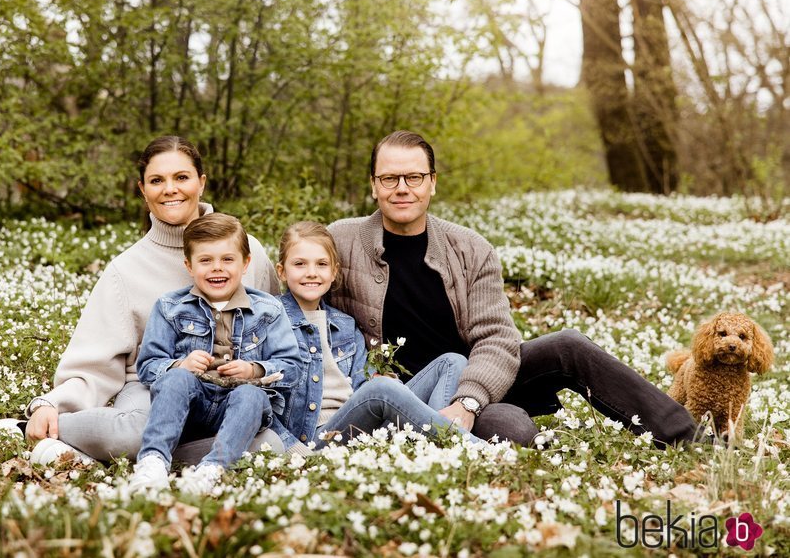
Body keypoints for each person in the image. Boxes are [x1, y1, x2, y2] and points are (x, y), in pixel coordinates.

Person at [327, 130, 699, 447]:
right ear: (374, 186)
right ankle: (458, 431)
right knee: (515, 430)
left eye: (414, 177)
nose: (402, 189)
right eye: (390, 179)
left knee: (568, 344)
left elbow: (496, 337)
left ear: (433, 182)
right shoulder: (339, 241)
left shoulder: (470, 248)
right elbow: (296, 304)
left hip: (476, 381)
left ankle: (690, 438)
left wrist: (468, 401)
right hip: (404, 393)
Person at [0, 136, 282, 464]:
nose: (170, 189)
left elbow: (278, 329)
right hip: (150, 389)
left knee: (270, 445)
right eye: (157, 180)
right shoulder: (125, 270)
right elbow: (93, 364)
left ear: (201, 183)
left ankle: (131, 457)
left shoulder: (249, 252)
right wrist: (50, 405)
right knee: (139, 433)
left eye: (182, 177)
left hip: (228, 392)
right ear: (143, 191)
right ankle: (28, 430)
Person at [270, 221, 482, 454]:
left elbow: (363, 384)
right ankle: (473, 448)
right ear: (281, 271)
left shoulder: (344, 324)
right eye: (299, 264)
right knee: (381, 388)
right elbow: (263, 404)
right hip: (316, 439)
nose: (311, 272)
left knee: (453, 361)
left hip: (364, 429)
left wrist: (385, 384)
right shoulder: (269, 321)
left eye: (321, 264)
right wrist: (293, 450)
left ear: (334, 272)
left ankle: (435, 446)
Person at [129, 213, 301, 494]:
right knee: (176, 379)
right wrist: (179, 365)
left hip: (239, 411)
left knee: (251, 394)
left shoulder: (268, 309)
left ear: (246, 263)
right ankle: (153, 462)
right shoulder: (170, 307)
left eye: (227, 259)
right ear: (189, 265)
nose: (216, 269)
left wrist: (254, 370)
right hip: (190, 408)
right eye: (205, 260)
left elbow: (291, 367)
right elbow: (147, 365)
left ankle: (212, 470)